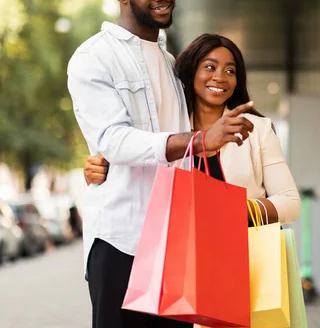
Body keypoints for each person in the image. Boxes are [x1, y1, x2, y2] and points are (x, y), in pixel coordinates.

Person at [67, 0, 254, 328]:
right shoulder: (93, 58)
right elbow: (113, 141)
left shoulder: (171, 64)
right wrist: (198, 140)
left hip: (174, 244)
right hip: (122, 242)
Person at [85, 33, 301, 226]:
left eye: (230, 71)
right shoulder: (166, 128)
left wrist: (230, 211)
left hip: (247, 257)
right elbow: (135, 168)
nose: (220, 77)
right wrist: (101, 170)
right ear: (191, 71)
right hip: (181, 257)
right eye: (210, 67)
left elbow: (290, 204)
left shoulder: (256, 130)